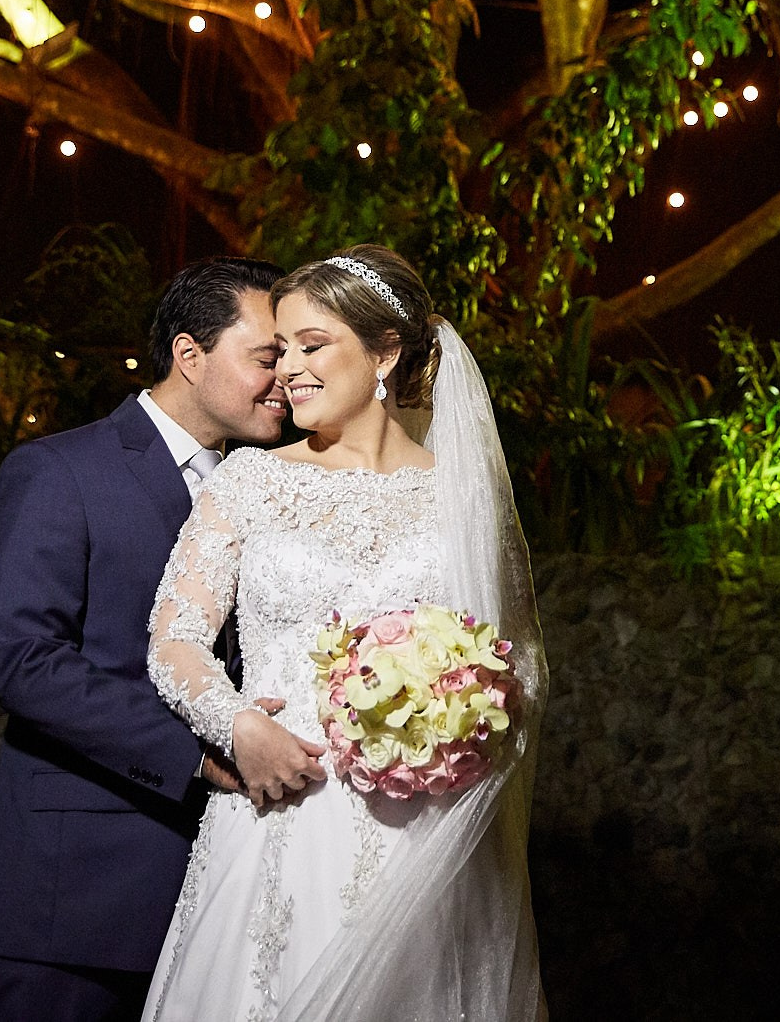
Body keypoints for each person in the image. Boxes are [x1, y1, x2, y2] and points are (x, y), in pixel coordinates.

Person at [142, 245, 547, 1021]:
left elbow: (517, 661)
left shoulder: (461, 496)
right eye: (280, 348)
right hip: (280, 812)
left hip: (423, 828)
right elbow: (175, 637)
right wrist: (239, 726)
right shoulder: (251, 479)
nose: (288, 369)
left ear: (385, 353)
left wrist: (455, 724)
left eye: (312, 344)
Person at [0, 257, 290, 1021]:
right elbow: (25, 661)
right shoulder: (57, 470)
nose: (285, 379)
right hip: (69, 899)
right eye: (268, 356)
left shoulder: (270, 493)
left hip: (218, 904)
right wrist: (198, 750)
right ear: (190, 353)